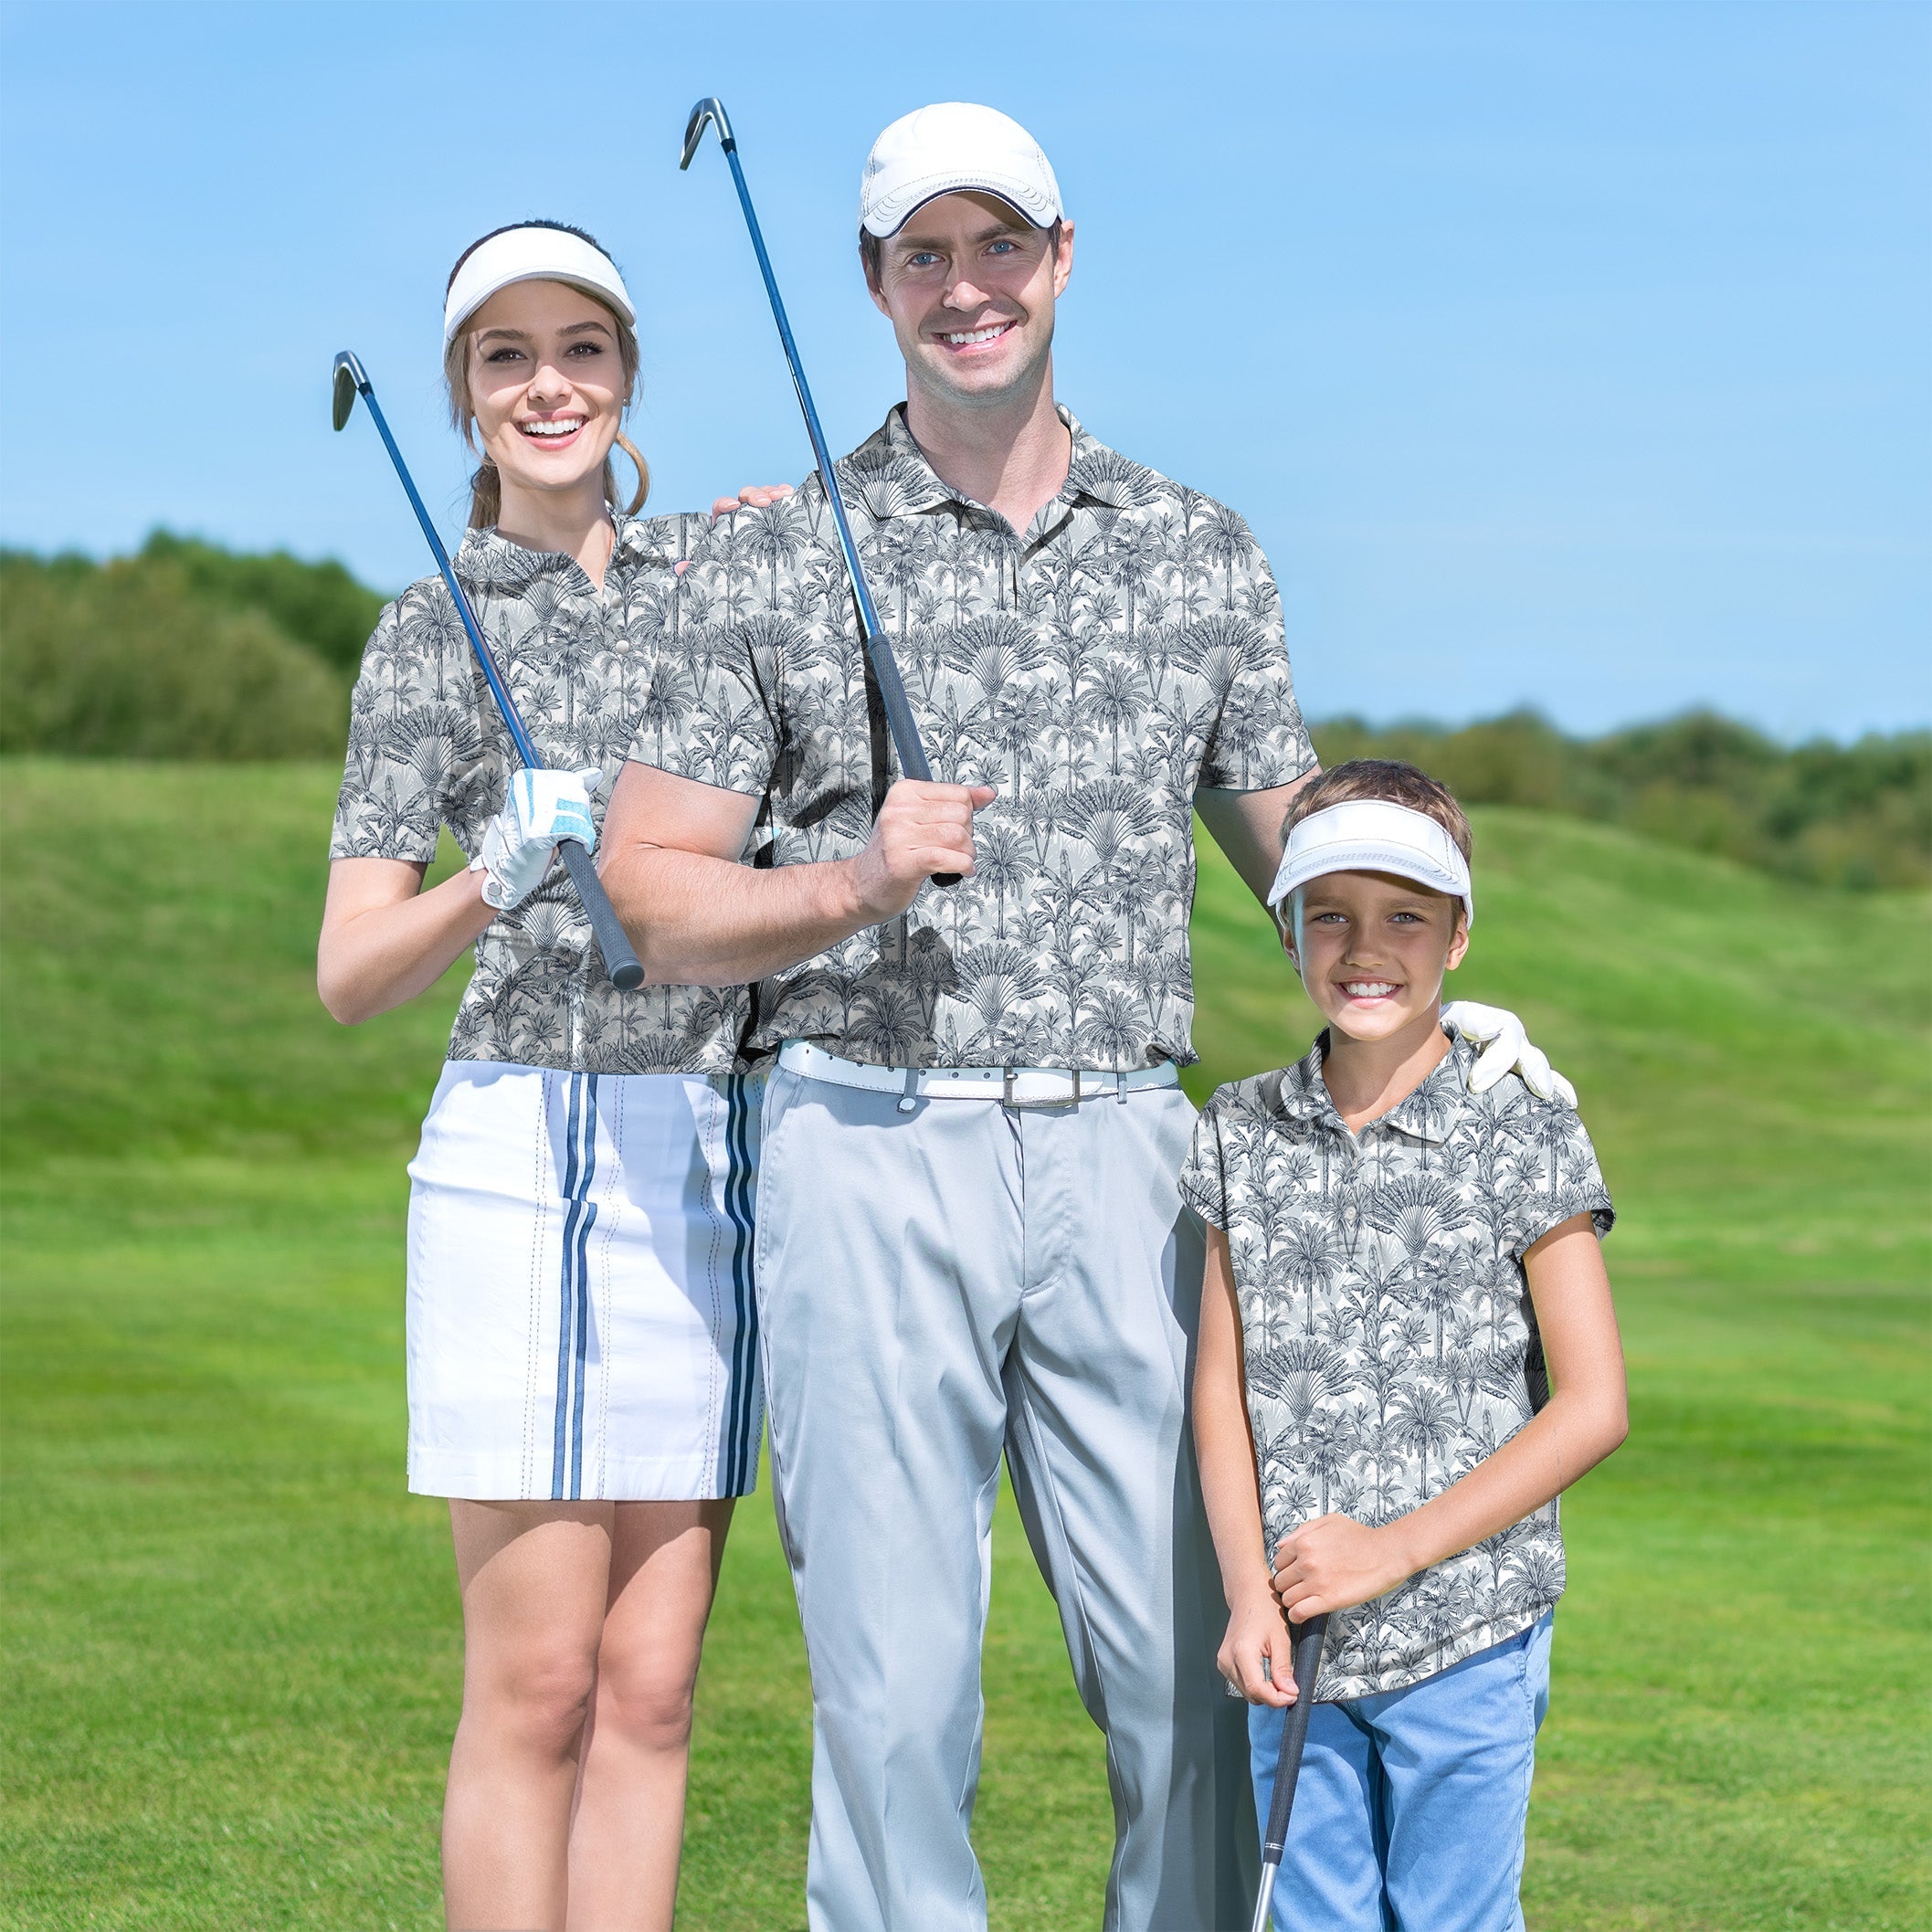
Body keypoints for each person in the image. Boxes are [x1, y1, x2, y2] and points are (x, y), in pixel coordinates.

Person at [601, 105, 1570, 1931]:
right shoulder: (774, 553)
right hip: (861, 1136)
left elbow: (1298, 856)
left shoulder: (1200, 551)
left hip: (1133, 1154)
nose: (965, 288)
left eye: (999, 246)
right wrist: (849, 883)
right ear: (875, 284)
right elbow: (649, 890)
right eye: (924, 255)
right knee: (895, 1703)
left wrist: (1448, 995)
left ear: (1061, 257)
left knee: (1200, 1675)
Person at [318, 221, 761, 1932]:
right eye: (506, 356)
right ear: (464, 395)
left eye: (581, 347)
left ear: (627, 373)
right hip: (520, 1153)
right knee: (540, 1681)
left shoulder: (717, 587)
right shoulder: (423, 634)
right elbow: (351, 972)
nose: (548, 383)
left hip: (699, 1149)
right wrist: (484, 879)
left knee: (652, 1686)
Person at [1185, 759, 1630, 1932]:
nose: (1365, 947)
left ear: (1459, 937)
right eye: (1330, 914)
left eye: (1406, 918)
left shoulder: (1522, 1122)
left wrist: (1392, 1552)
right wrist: (1246, 1595)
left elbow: (1594, 1404)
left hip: (1469, 1625)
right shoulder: (1239, 1129)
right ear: (1287, 928)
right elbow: (1219, 1391)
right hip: (1295, 1637)